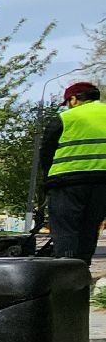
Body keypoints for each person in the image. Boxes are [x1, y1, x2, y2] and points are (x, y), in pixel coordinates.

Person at [41, 81, 106, 264]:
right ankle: (82, 270)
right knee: (90, 228)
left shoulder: (66, 118)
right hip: (102, 184)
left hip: (66, 183)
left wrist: (46, 182)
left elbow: (46, 153)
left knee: (65, 229)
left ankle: (66, 269)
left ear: (74, 99)